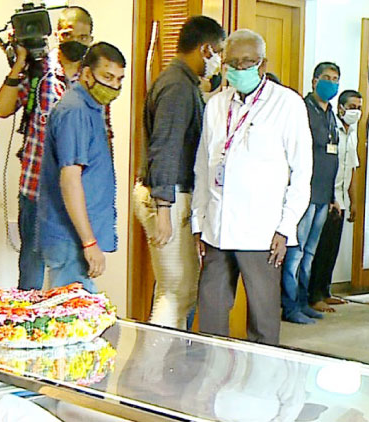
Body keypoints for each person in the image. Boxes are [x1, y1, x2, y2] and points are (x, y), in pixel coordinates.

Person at [191, 29, 312, 345]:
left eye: (247, 63)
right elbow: (203, 168)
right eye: (232, 63)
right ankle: (211, 375)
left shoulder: (287, 104)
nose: (239, 69)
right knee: (211, 317)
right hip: (217, 229)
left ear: (263, 64)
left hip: (263, 233)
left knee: (263, 322)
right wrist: (198, 223)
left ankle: (262, 377)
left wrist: (285, 228)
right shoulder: (216, 105)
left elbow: (301, 174)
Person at [0, 6, 96, 291]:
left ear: (91, 39)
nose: (75, 41)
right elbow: (2, 109)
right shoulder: (38, 71)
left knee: (74, 275)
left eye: (83, 37)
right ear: (56, 34)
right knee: (31, 273)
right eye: (68, 34)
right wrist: (19, 63)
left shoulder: (93, 79)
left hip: (78, 194)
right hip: (36, 191)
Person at [138, 15, 225, 329]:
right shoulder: (176, 87)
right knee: (177, 294)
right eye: (219, 52)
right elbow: (166, 146)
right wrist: (163, 208)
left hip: (169, 193)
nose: (219, 61)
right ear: (205, 49)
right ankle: (156, 358)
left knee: (173, 291)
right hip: (169, 195)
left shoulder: (182, 83)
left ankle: (165, 356)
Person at [36, 42, 125, 293]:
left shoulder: (91, 107)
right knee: (71, 311)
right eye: (107, 77)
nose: (114, 86)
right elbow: (70, 180)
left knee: (78, 310)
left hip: (76, 238)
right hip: (70, 240)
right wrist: (88, 242)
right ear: (87, 74)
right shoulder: (75, 111)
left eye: (119, 79)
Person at [281, 61, 341, 324]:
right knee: (295, 253)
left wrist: (332, 197)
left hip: (323, 194)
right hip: (304, 193)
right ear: (315, 81)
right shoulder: (303, 109)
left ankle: (303, 301)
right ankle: (290, 305)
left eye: (335, 79)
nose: (331, 83)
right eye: (327, 78)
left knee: (309, 254)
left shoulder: (331, 115)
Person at [309, 90, 362, 313]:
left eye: (359, 107)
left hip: (342, 199)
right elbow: (324, 166)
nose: (356, 112)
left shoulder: (353, 133)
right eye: (351, 107)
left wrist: (354, 202)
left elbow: (353, 169)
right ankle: (313, 296)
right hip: (326, 198)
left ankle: (325, 291)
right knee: (319, 250)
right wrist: (331, 197)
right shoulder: (331, 129)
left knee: (332, 249)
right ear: (340, 108)